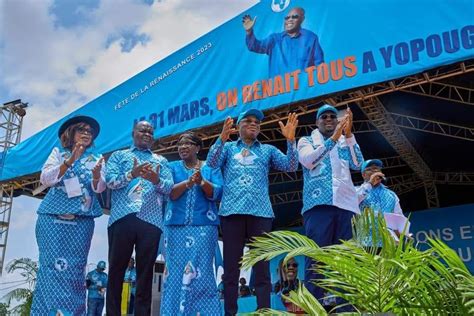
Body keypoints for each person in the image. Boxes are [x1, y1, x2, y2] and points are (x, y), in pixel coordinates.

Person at [207, 109, 299, 315]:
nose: (254, 124)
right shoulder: (229, 149)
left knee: (262, 270)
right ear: (237, 126)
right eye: (248, 121)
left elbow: (291, 166)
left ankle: (263, 312)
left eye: (257, 122)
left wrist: (291, 142)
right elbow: (212, 163)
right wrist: (221, 138)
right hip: (232, 213)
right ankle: (230, 313)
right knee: (231, 270)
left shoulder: (267, 150)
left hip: (261, 214)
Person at [31, 115, 105, 315]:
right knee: (51, 268)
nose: (86, 134)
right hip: (53, 218)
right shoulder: (58, 153)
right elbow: (46, 179)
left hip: (82, 221)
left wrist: (97, 175)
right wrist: (71, 159)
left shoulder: (97, 158)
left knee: (75, 269)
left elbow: (99, 189)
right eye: (82, 130)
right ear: (70, 133)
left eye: (89, 131)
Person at [297, 104, 364, 307]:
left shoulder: (345, 141)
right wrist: (334, 138)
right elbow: (309, 161)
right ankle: (315, 308)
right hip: (318, 206)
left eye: (332, 117)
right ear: (317, 122)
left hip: (346, 205)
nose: (329, 119)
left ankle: (347, 308)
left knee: (346, 259)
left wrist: (349, 134)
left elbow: (358, 164)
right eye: (324, 117)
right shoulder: (306, 140)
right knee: (317, 258)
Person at [105, 120, 173, 315]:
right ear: (133, 133)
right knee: (117, 270)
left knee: (145, 274)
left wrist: (156, 179)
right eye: (143, 130)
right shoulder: (119, 155)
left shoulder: (161, 160)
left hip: (151, 221)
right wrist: (131, 173)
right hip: (122, 218)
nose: (147, 134)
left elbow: (169, 189)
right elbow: (109, 181)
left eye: (151, 132)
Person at [160, 132, 223, 315]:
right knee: (174, 273)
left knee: (202, 271)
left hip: (204, 226)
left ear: (197, 147)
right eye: (180, 144)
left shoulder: (211, 167)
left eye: (188, 143)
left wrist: (202, 182)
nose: (183, 147)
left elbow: (217, 193)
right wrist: (188, 183)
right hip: (175, 227)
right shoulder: (170, 167)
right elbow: (169, 192)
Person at [243, 7, 324, 78]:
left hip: (303, 92)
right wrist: (249, 32)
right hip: (278, 92)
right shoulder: (274, 39)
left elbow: (319, 65)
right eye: (287, 18)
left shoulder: (310, 37)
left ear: (302, 19)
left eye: (294, 17)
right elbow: (254, 46)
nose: (290, 19)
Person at [356, 159, 407, 246]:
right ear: (363, 175)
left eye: (377, 169)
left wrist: (404, 234)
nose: (375, 171)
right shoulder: (357, 191)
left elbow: (399, 217)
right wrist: (370, 184)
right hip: (366, 243)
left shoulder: (391, 195)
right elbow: (353, 201)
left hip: (389, 244)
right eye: (370, 169)